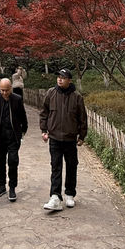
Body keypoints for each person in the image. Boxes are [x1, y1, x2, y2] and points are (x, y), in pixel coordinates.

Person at [40, 69, 87, 211]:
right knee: (56, 167)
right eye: (58, 77)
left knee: (72, 166)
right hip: (54, 137)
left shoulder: (76, 97)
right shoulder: (50, 93)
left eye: (63, 77)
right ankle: (55, 196)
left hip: (70, 138)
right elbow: (44, 113)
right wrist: (44, 131)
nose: (60, 80)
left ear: (69, 80)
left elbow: (82, 118)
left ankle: (70, 194)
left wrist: (82, 136)